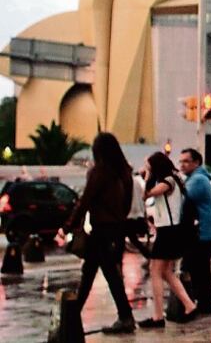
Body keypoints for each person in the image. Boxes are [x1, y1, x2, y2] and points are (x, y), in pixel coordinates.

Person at [59, 132, 136, 334]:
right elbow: (127, 203)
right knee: (94, 272)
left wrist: (67, 227)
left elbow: (85, 201)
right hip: (116, 229)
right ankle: (74, 315)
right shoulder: (124, 172)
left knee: (103, 274)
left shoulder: (100, 172)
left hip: (101, 229)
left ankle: (122, 316)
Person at [140, 151, 198, 328]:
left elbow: (147, 194)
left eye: (148, 165)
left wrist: (148, 176)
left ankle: (158, 317)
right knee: (166, 272)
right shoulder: (174, 179)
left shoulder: (168, 182)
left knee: (155, 271)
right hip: (170, 230)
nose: (145, 168)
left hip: (169, 231)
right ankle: (189, 305)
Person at [178, 148, 211, 314]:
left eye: (186, 161)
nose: (182, 164)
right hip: (204, 231)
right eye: (181, 161)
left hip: (202, 232)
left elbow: (182, 199)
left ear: (196, 162)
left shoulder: (198, 180)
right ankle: (205, 303)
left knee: (198, 269)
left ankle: (205, 304)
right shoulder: (194, 178)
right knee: (199, 269)